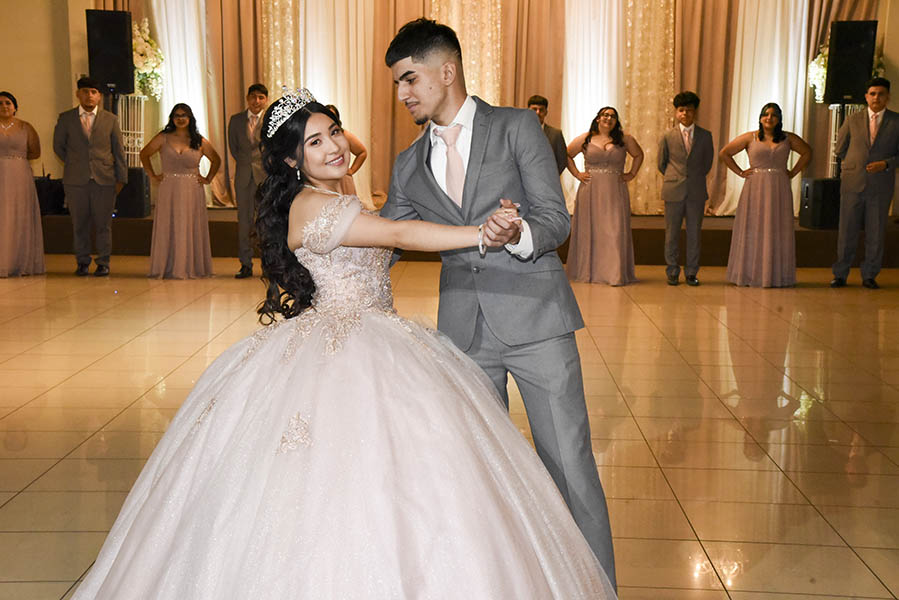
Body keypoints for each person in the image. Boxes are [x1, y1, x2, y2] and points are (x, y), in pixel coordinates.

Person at [71, 91, 615, 599]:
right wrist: (479, 233)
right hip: (346, 347)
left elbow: (385, 238)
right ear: (291, 161)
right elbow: (400, 235)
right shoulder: (310, 206)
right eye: (314, 141)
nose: (333, 146)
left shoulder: (338, 194)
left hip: (379, 335)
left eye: (333, 132)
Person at [382, 18, 617, 590]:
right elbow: (384, 243)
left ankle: (596, 588)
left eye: (409, 78)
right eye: (396, 83)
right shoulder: (408, 165)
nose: (402, 93)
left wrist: (518, 236)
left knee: (568, 465)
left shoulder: (516, 127)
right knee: (480, 474)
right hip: (463, 336)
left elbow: (555, 220)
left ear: (448, 70)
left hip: (537, 322)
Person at [719, 102, 811, 288]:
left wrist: (793, 172)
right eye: (766, 114)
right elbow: (725, 153)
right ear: (760, 118)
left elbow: (807, 152)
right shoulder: (749, 137)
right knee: (754, 226)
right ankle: (749, 273)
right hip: (755, 186)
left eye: (774, 115)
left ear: (779, 119)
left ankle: (775, 274)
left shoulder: (788, 138)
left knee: (777, 227)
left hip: (779, 186)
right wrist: (740, 172)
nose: (769, 118)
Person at [52, 76, 127, 277]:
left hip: (105, 179)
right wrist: (76, 163)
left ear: (99, 96)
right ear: (78, 94)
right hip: (76, 180)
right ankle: (82, 261)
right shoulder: (66, 118)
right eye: (85, 91)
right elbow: (58, 147)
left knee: (103, 224)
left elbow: (118, 151)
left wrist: (121, 178)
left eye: (94, 92)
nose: (89, 95)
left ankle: (103, 262)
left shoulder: (110, 119)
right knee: (79, 223)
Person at [831, 77, 899, 289]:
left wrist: (886, 164)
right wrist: (854, 164)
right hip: (853, 183)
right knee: (847, 230)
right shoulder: (853, 119)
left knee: (876, 232)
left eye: (880, 94)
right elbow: (840, 148)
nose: (876, 97)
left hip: (880, 185)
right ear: (866, 96)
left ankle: (869, 275)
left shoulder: (896, 121)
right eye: (872, 93)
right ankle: (840, 274)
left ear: (887, 97)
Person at [140, 103, 220, 279]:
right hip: (168, 188)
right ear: (172, 118)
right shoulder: (163, 137)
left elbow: (216, 160)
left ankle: (191, 266)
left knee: (189, 226)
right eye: (177, 115)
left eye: (184, 115)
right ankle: (167, 266)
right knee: (168, 225)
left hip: (192, 189)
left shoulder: (198, 140)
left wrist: (207, 179)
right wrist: (152, 175)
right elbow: (144, 154)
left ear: (190, 118)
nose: (180, 118)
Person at [566, 107, 643, 286]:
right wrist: (577, 174)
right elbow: (567, 155)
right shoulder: (586, 138)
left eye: (613, 116)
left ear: (616, 121)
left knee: (614, 230)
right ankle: (587, 271)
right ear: (598, 118)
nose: (609, 118)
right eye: (605, 115)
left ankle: (614, 274)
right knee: (591, 230)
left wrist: (631, 174)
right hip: (590, 190)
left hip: (615, 190)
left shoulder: (624, 139)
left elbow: (639, 155)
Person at [657, 91, 714, 286]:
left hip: (696, 190)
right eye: (681, 110)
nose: (685, 114)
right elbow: (661, 163)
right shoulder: (667, 136)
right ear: (676, 112)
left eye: (689, 111)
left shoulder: (706, 136)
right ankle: (672, 271)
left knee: (694, 233)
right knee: (671, 233)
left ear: (695, 112)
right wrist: (675, 177)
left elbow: (707, 163)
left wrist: (693, 177)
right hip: (673, 190)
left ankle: (691, 272)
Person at [0, 91, 45, 277]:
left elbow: (35, 152)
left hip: (20, 175)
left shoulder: (25, 127)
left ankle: (20, 261)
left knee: (19, 216)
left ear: (15, 107)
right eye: (0, 103)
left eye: (8, 103)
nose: (4, 106)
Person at [228, 83, 268, 279]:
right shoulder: (235, 121)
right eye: (253, 97)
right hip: (243, 177)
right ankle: (245, 263)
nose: (257, 101)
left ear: (266, 100)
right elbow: (234, 148)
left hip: (264, 178)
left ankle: (268, 264)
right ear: (247, 98)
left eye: (261, 97)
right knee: (244, 221)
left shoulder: (271, 121)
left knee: (265, 221)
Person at [324, 104, 368, 196]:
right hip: (326, 179)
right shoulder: (319, 137)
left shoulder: (344, 135)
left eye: (332, 116)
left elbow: (362, 152)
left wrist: (352, 170)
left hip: (343, 180)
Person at [527, 94, 568, 175]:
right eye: (534, 109)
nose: (538, 113)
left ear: (546, 112)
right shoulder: (517, 133)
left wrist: (551, 176)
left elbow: (562, 160)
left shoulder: (556, 134)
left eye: (541, 110)